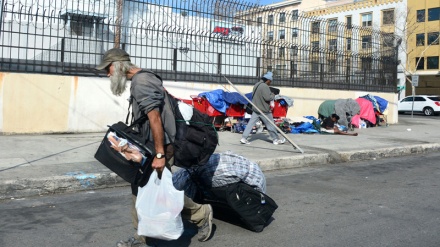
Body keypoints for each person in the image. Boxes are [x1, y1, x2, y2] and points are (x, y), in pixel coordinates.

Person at [96, 48, 213, 247]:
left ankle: (201, 214)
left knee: (160, 190)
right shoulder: (142, 79)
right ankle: (143, 234)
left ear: (117, 65)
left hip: (160, 148)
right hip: (151, 146)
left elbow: (155, 119)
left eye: (108, 69)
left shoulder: (142, 82)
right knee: (142, 186)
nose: (108, 74)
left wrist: (159, 154)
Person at [240, 72, 286, 145]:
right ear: (267, 80)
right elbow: (268, 98)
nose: (270, 83)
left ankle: (244, 138)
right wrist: (273, 95)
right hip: (264, 110)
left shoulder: (256, 84)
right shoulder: (264, 86)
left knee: (250, 124)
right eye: (270, 81)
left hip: (255, 109)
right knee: (271, 125)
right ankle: (276, 139)